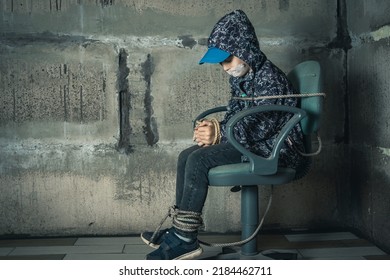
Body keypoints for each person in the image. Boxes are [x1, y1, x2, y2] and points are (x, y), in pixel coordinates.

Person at [141, 9, 309, 260]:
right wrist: (214, 128)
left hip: (274, 149)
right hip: (252, 144)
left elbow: (261, 125)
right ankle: (181, 229)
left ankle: (185, 239)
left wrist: (219, 133)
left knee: (200, 159)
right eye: (220, 62)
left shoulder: (270, 79)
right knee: (187, 155)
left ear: (246, 49)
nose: (225, 67)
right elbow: (236, 114)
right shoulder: (242, 77)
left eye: (228, 59)